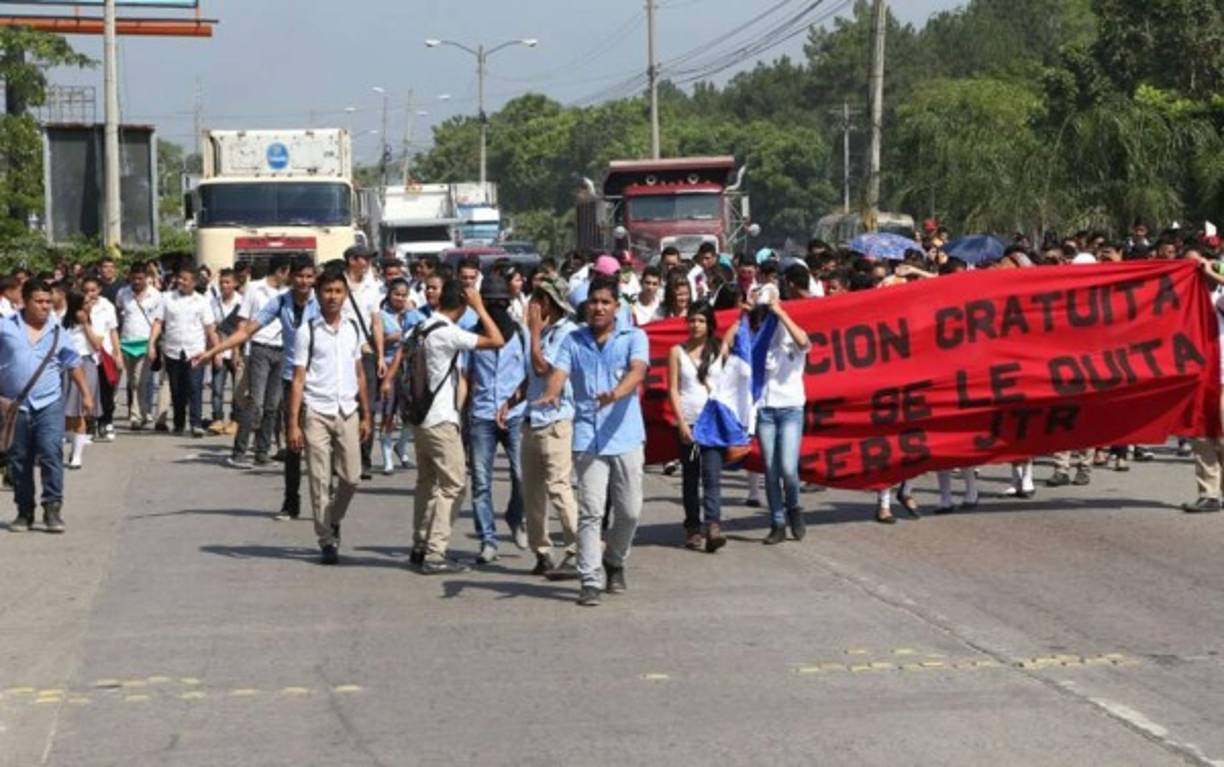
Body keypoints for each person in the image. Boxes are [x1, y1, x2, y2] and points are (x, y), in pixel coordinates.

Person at [538, 274, 649, 607]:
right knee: (590, 511)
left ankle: (614, 559)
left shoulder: (634, 337)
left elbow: (638, 371)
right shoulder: (573, 340)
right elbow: (559, 372)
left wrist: (615, 394)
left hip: (626, 434)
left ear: (616, 307)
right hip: (587, 436)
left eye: (604, 302)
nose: (598, 307)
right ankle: (590, 578)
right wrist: (551, 394)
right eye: (593, 302)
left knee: (630, 511)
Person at [196, 256, 320, 521]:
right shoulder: (281, 302)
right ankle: (291, 501)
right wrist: (214, 351)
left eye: (310, 276)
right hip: (290, 378)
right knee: (294, 442)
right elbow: (246, 330)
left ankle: (326, 499)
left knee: (321, 444)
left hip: (320, 381)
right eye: (300, 276)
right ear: (290, 276)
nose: (305, 282)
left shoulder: (322, 303)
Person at [408, 279, 505, 574]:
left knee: (427, 483)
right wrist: (479, 308)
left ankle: (420, 544)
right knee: (454, 485)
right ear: (461, 306)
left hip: (421, 418)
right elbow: (496, 340)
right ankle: (435, 553)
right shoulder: (449, 333)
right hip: (439, 419)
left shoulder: (422, 327)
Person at [286, 269, 373, 564]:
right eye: (327, 291)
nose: (333, 297)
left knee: (352, 478)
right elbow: (298, 379)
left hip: (347, 410)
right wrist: (293, 424)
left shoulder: (352, 328)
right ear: (318, 294)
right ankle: (326, 540)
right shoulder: (307, 330)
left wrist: (365, 414)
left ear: (345, 295)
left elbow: (359, 373)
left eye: (338, 291)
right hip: (316, 411)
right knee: (319, 480)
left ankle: (333, 518)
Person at [497, 276, 580, 577]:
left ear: (547, 303)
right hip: (532, 418)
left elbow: (544, 368)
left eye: (536, 300)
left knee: (559, 487)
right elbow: (531, 377)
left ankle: (579, 548)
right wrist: (513, 399)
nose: (532, 306)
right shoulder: (544, 333)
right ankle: (541, 551)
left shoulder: (566, 333)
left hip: (556, 420)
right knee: (531, 491)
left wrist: (532, 332)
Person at [4, 279, 91, 533]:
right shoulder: (5, 327)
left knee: (51, 453)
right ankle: (24, 511)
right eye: (39, 302)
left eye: (48, 302)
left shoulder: (57, 331)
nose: (45, 307)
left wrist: (86, 394)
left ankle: (52, 508)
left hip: (49, 403)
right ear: (25, 300)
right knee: (19, 460)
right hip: (15, 406)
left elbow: (73, 364)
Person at [464, 273, 527, 564]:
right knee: (481, 482)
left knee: (521, 475)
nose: (496, 309)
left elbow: (529, 376)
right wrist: (458, 412)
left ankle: (516, 516)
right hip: (481, 415)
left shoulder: (522, 334)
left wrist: (516, 401)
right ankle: (487, 540)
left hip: (514, 414)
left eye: (501, 303)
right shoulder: (472, 335)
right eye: (490, 304)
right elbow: (465, 377)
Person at [749, 286, 812, 544]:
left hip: (791, 409)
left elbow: (804, 343)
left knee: (787, 467)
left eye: (769, 311)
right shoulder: (759, 341)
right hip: (765, 409)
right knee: (770, 469)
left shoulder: (791, 336)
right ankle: (777, 521)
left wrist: (781, 313)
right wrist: (752, 311)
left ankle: (794, 506)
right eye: (764, 313)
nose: (768, 317)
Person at [667, 300, 727, 552]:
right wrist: (681, 423)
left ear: (709, 324)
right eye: (692, 320)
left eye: (701, 320)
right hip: (689, 423)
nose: (695, 325)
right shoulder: (676, 352)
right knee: (691, 478)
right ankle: (693, 529)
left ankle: (713, 525)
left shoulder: (719, 350)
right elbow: (673, 389)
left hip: (712, 425)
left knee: (712, 475)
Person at [228, 255, 290, 467]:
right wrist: (236, 350)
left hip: (282, 351)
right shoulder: (254, 288)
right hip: (259, 349)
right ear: (281, 270)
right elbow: (243, 321)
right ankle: (239, 451)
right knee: (256, 402)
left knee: (273, 405)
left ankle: (262, 452)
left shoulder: (287, 293)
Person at [341, 246, 384, 480]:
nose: (367, 263)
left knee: (367, 406)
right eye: (363, 259)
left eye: (369, 259)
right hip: (341, 353)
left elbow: (376, 322)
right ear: (351, 260)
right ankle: (344, 458)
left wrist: (380, 356)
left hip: (365, 351)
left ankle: (364, 459)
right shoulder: (338, 285)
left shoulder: (372, 287)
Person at [160, 265, 218, 437]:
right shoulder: (167, 298)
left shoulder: (202, 301)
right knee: (177, 389)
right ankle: (179, 423)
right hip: (173, 350)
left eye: (185, 279)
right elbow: (158, 322)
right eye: (180, 278)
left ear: (193, 282)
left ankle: (196, 423)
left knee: (194, 387)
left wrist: (216, 352)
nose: (181, 282)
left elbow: (210, 328)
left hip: (195, 351)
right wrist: (151, 345)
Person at [115, 261, 164, 430]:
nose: (136, 281)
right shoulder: (123, 293)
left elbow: (158, 321)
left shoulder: (156, 295)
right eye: (134, 278)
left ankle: (136, 415)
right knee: (131, 381)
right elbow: (119, 315)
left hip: (145, 342)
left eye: (140, 278)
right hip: (126, 342)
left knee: (140, 380)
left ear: (146, 278)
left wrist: (152, 344)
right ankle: (142, 413)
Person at [373, 278, 413, 475]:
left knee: (411, 415)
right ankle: (387, 459)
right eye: (396, 294)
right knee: (388, 414)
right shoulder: (381, 315)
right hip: (389, 368)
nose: (400, 298)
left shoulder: (413, 315)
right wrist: (395, 338)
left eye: (404, 295)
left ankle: (401, 446)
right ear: (389, 294)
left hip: (410, 369)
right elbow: (376, 342)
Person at [61, 290, 104, 469]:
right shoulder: (63, 321)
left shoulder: (95, 320)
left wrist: (86, 324)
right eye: (85, 304)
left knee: (80, 411)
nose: (89, 306)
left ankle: (77, 456)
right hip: (65, 366)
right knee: (67, 413)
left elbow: (97, 345)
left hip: (86, 363)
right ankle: (73, 443)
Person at [82, 276, 120, 442]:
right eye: (86, 290)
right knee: (89, 391)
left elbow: (113, 331)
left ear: (99, 290)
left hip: (105, 352)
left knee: (106, 389)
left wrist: (117, 353)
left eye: (93, 290)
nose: (90, 294)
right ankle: (90, 424)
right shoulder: (78, 305)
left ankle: (107, 421)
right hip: (86, 352)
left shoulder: (107, 306)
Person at [207, 269, 242, 434]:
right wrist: (216, 352)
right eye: (222, 282)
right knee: (217, 388)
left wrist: (236, 352)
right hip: (219, 350)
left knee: (238, 389)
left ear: (235, 283)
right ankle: (217, 419)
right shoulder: (214, 303)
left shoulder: (241, 302)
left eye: (228, 282)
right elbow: (212, 328)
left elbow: (240, 330)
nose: (224, 286)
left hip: (237, 352)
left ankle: (235, 420)